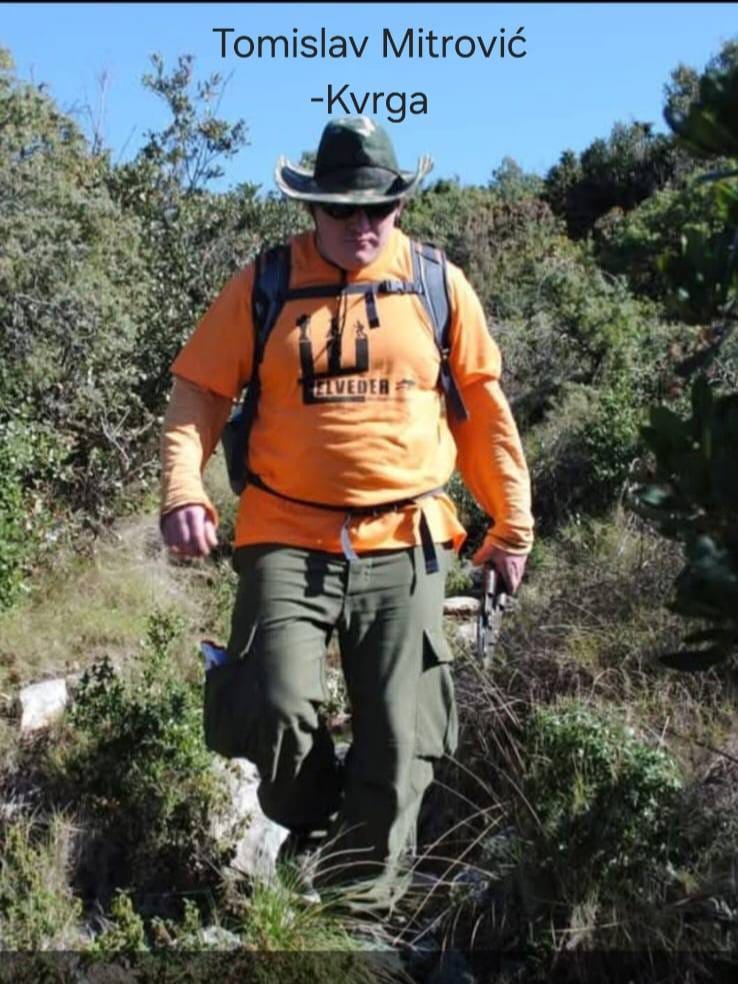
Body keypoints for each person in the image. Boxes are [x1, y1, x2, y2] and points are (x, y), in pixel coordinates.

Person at [159, 115, 534, 909]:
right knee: (275, 703)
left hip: (408, 537)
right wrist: (183, 489)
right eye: (342, 209)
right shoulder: (264, 283)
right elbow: (199, 392)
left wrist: (512, 525)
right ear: (312, 207)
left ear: (400, 204)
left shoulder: (436, 284)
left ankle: (355, 912)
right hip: (284, 534)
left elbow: (482, 413)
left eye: (379, 208)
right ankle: (314, 820)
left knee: (400, 736)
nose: (363, 224)